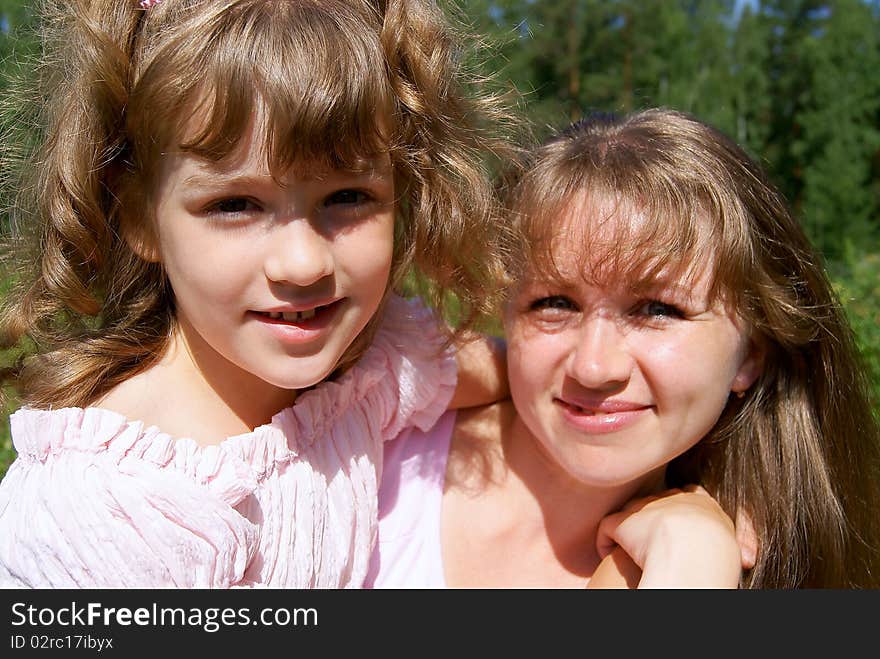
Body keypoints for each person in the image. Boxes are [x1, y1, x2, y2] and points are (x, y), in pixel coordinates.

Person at [0, 0, 517, 588]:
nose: (302, 263)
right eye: (234, 204)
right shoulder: (117, 505)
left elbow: (538, 381)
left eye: (348, 197)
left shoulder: (371, 370)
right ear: (138, 215)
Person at [366, 108, 880, 589]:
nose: (593, 367)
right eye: (554, 303)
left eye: (658, 310)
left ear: (751, 355)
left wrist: (691, 562)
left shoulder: (741, 568)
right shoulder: (360, 441)